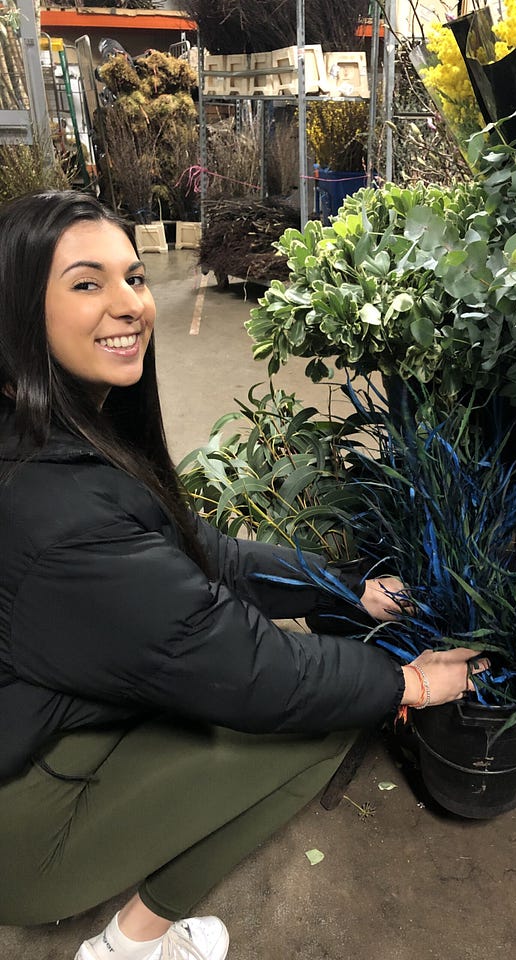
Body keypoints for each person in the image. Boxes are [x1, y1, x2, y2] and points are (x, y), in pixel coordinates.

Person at [0, 191, 486, 960]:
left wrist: (344, 590)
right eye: (86, 284)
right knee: (322, 718)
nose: (129, 305)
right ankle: (128, 946)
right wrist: (412, 685)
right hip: (21, 821)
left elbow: (205, 551)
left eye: (133, 278)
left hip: (42, 714)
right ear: (20, 310)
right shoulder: (58, 514)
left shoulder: (64, 432)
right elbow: (253, 674)